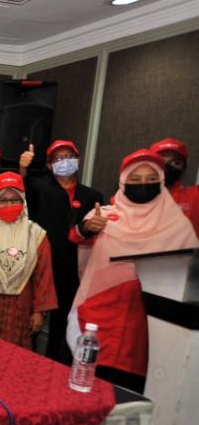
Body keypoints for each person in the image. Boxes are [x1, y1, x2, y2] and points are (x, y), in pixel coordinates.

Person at [67, 149, 198, 393]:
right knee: (85, 393)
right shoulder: (103, 216)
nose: (143, 185)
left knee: (126, 401)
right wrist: (87, 228)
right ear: (123, 182)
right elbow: (75, 239)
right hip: (96, 322)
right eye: (135, 180)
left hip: (146, 330)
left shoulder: (178, 226)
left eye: (151, 179)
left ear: (160, 183)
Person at [24, 140, 104, 363]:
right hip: (39, 264)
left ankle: (54, 366)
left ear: (78, 160)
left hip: (72, 268)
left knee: (62, 325)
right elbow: (21, 191)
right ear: (49, 165)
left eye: (69, 156)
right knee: (32, 322)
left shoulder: (92, 196)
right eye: (58, 158)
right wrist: (23, 168)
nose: (65, 161)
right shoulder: (39, 187)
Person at [0, 173, 57, 348]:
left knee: (10, 359)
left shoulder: (36, 234)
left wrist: (39, 312)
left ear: (23, 202)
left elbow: (43, 276)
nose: (9, 205)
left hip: (17, 309)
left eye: (15, 200)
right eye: (3, 200)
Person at [150, 137, 198, 235]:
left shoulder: (195, 194)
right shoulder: (136, 194)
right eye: (161, 161)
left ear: (183, 168)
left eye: (176, 162)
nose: (167, 166)